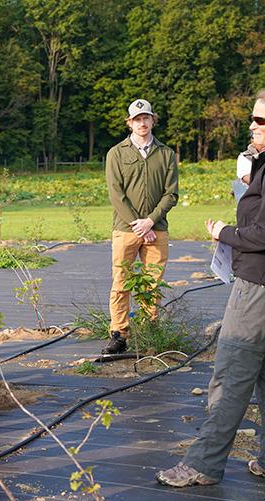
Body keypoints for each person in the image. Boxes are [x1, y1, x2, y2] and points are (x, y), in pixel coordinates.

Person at [157, 86, 265, 488]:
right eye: (252, 118)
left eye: (261, 120)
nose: (252, 125)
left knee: (231, 372)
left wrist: (225, 232)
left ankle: (203, 464)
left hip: (261, 283)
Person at [103, 99, 178, 355]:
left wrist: (150, 221)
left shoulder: (166, 154)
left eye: (146, 118)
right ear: (130, 123)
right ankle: (119, 334)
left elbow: (171, 194)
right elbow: (115, 193)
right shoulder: (116, 153)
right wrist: (139, 225)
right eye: (137, 119)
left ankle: (149, 330)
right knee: (121, 281)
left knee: (152, 283)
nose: (142, 123)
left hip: (157, 228)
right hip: (125, 229)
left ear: (153, 120)